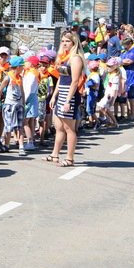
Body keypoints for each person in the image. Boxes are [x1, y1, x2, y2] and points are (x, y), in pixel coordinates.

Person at [45, 32, 85, 167]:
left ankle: (70, 158)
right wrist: (55, 95)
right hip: (61, 93)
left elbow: (74, 81)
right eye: (62, 41)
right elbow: (61, 79)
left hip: (70, 95)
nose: (64, 43)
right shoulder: (63, 58)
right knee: (59, 127)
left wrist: (68, 100)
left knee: (69, 128)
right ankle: (54, 154)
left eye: (67, 41)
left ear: (74, 42)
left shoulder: (76, 58)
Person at [0, 55, 27, 156]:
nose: (23, 68)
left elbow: (22, 91)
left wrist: (24, 102)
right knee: (8, 127)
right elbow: (0, 90)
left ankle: (21, 146)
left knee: (20, 126)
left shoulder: (20, 78)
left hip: (18, 105)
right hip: (9, 105)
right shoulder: (8, 77)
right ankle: (7, 145)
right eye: (22, 66)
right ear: (17, 67)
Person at [22, 55, 40, 150]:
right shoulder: (34, 73)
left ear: (31, 63)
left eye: (27, 61)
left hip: (29, 98)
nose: (25, 63)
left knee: (25, 121)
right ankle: (31, 140)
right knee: (31, 121)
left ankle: (30, 141)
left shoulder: (31, 74)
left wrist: (24, 100)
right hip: (33, 97)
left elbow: (28, 89)